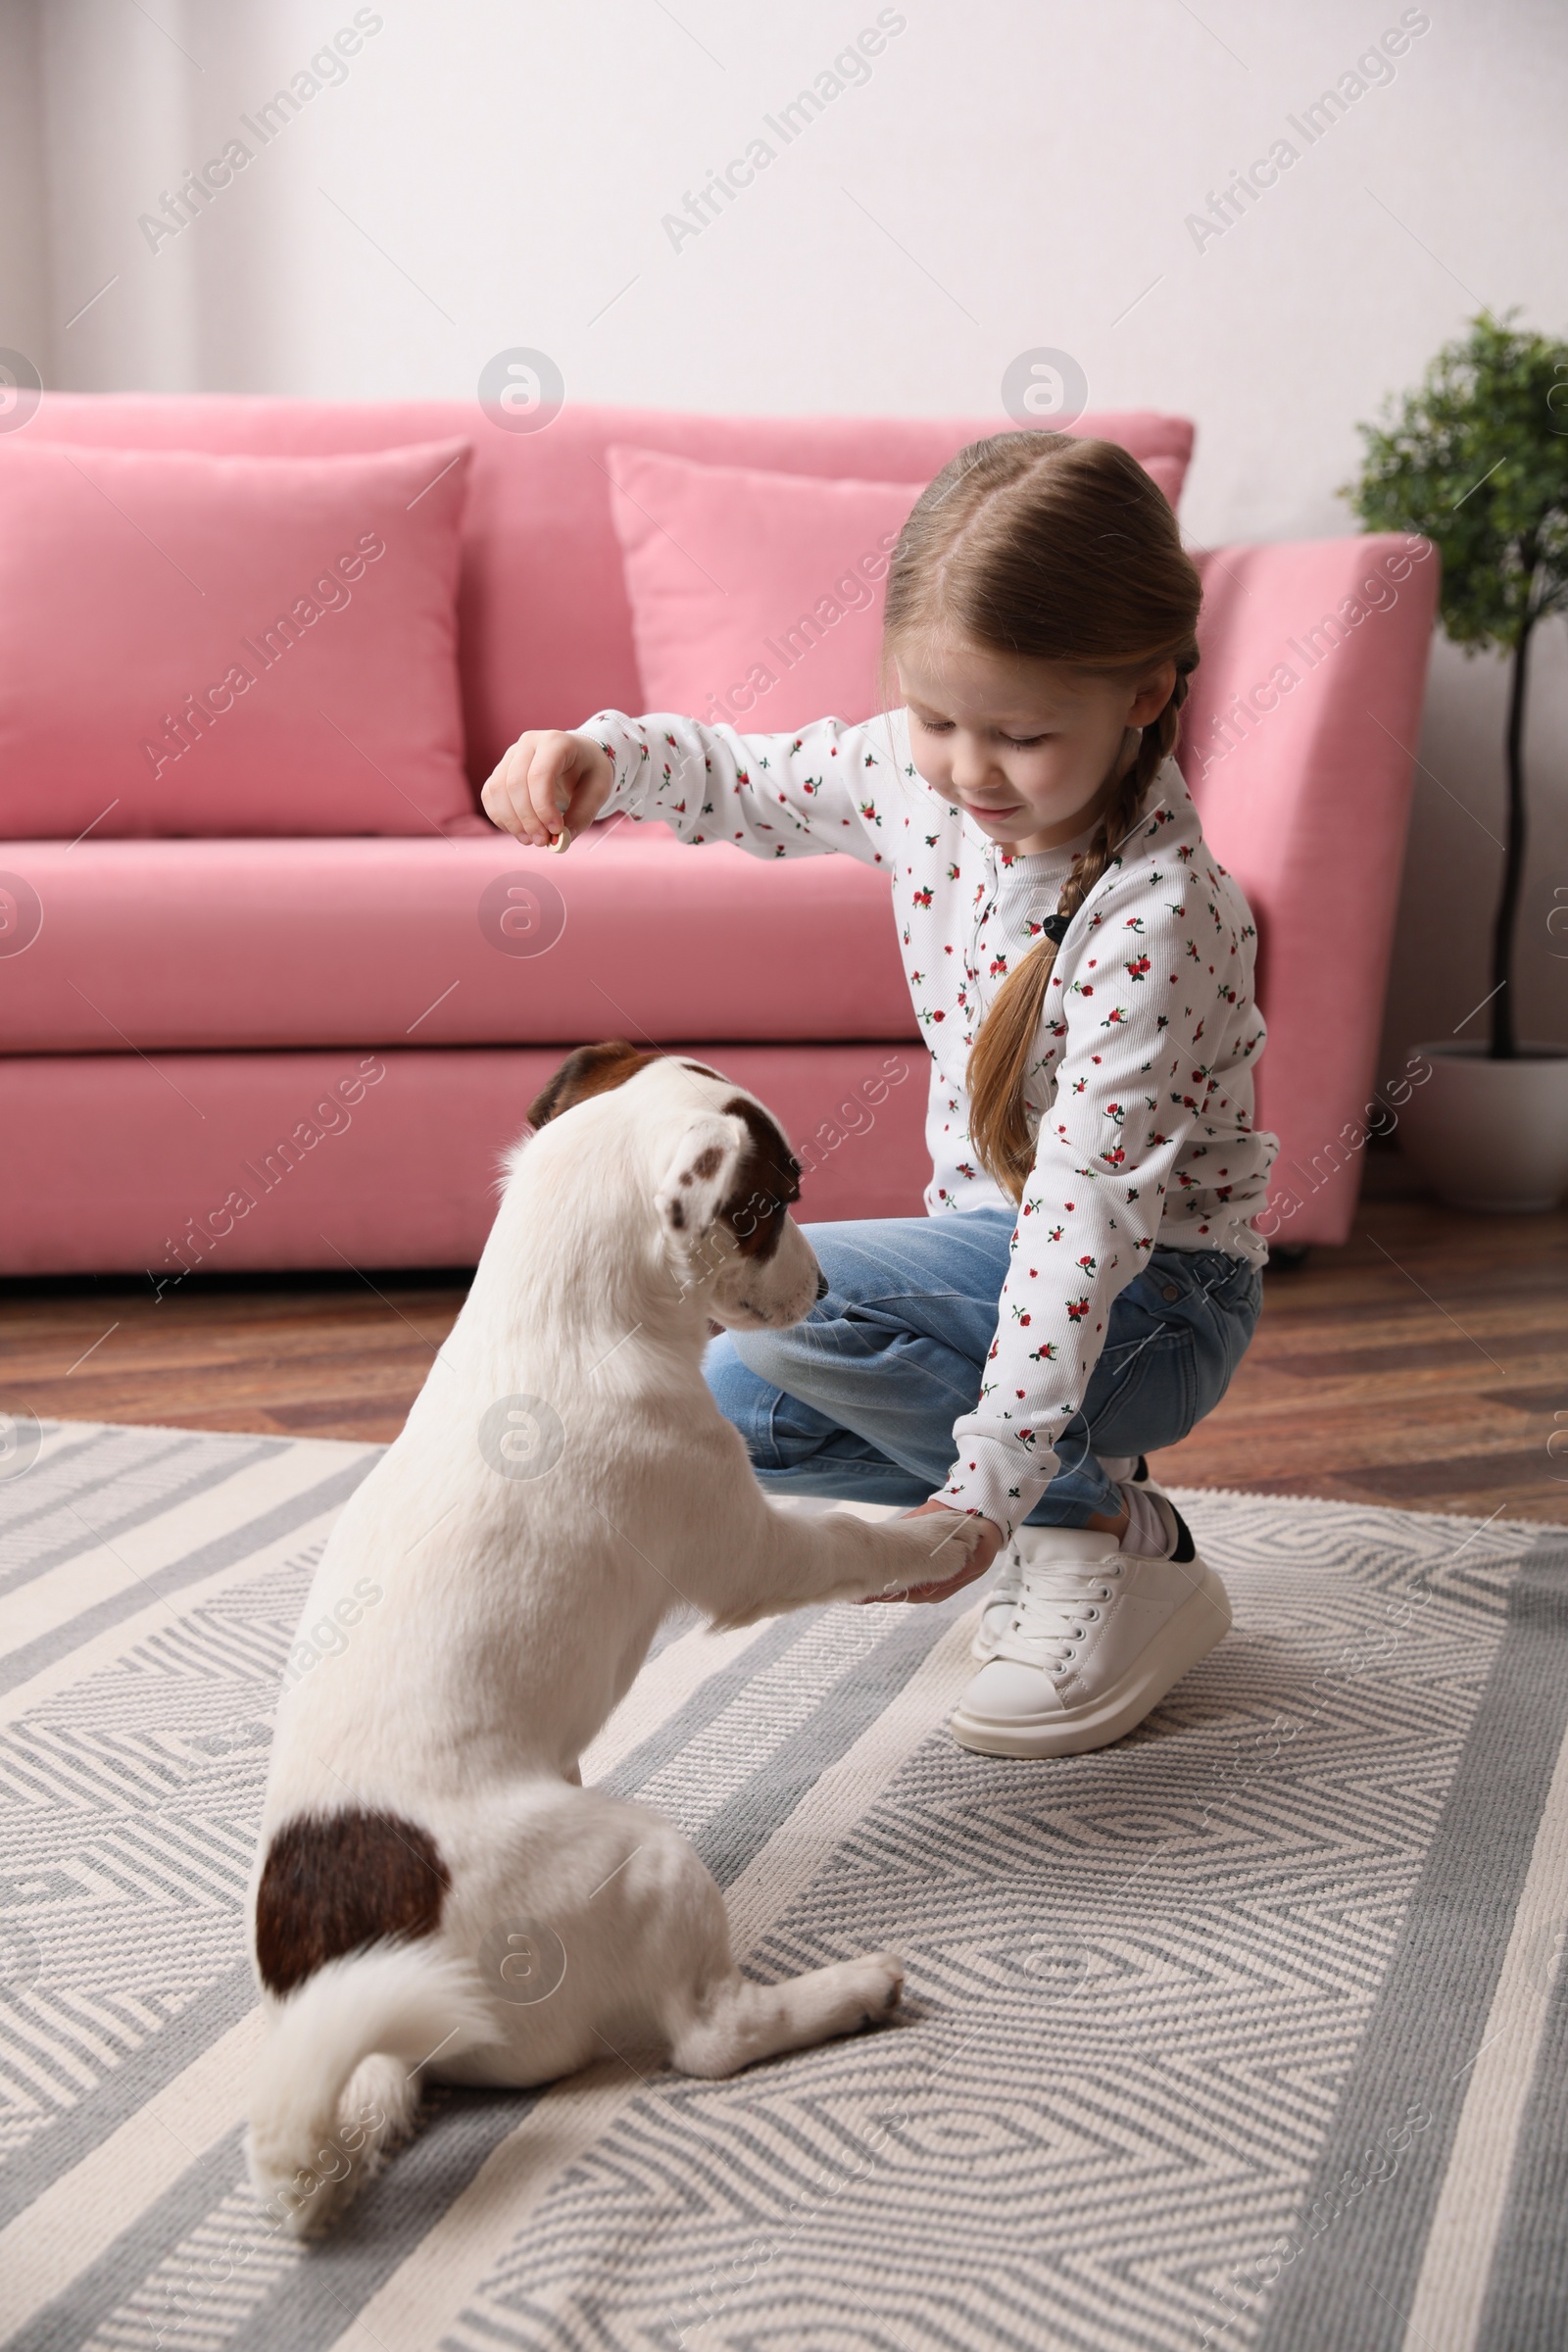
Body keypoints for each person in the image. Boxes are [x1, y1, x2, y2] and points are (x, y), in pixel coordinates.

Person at [481, 429, 1277, 1759]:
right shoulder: (924, 786)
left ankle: (1097, 1532)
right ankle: (1082, 1492)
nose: (968, 770)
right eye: (936, 718)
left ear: (1143, 693)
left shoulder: (1158, 920)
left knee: (767, 1295)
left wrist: (990, 1497)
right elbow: (753, 777)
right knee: (729, 1414)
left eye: (1021, 735)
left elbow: (1080, 1232)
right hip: (1000, 1268)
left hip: (1162, 1301)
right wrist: (605, 760)